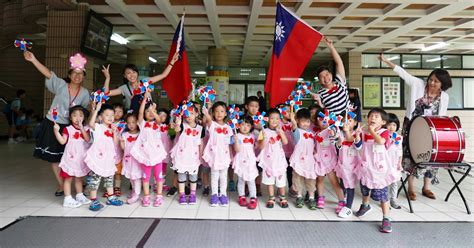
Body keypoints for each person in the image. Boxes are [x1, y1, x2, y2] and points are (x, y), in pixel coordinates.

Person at [378, 53, 452, 200]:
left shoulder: (444, 97)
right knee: (410, 155)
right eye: (431, 79)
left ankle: (426, 187)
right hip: (412, 126)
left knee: (430, 157)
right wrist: (386, 61)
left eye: (436, 81)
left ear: (442, 84)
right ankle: (410, 188)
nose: (431, 83)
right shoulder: (418, 84)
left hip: (431, 130)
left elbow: (442, 115)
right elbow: (403, 74)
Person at [24, 51, 90, 197]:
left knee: (75, 154)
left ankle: (78, 180)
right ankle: (61, 184)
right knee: (55, 157)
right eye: (74, 73)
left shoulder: (85, 93)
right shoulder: (60, 84)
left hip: (72, 127)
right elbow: (48, 73)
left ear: (84, 77)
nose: (77, 76)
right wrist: (34, 59)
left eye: (80, 74)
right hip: (53, 124)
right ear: (70, 74)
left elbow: (83, 112)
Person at [354, 108, 396, 233]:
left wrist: (371, 131)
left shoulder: (384, 132)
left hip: (379, 168)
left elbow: (380, 142)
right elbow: (358, 146)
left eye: (376, 116)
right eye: (371, 116)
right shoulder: (364, 132)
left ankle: (386, 217)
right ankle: (365, 205)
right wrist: (357, 135)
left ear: (383, 122)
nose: (372, 118)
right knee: (365, 189)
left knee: (382, 194)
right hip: (366, 166)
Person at [104, 53, 179, 111]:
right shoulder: (123, 88)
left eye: (134, 72)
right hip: (133, 118)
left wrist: (172, 62)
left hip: (148, 115)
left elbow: (164, 75)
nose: (132, 75)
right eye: (128, 73)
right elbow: (106, 93)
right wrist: (108, 78)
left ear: (137, 73)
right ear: (125, 76)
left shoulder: (145, 81)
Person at [130, 91, 167, 207]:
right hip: (145, 154)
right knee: (145, 177)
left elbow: (159, 119)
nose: (150, 113)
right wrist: (145, 101)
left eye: (152, 111)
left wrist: (153, 110)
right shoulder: (142, 123)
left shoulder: (157, 123)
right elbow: (140, 112)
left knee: (158, 176)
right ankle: (146, 196)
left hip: (157, 154)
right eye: (148, 111)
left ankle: (159, 196)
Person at [85, 102, 124, 211]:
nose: (111, 117)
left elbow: (115, 143)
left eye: (112, 115)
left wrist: (115, 132)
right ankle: (93, 200)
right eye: (107, 115)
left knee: (109, 178)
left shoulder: (112, 129)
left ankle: (111, 197)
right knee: (95, 180)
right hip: (98, 158)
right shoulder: (98, 126)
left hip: (108, 158)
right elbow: (91, 123)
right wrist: (96, 110)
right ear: (101, 117)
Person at [53, 105, 91, 208]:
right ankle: (67, 199)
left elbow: (87, 139)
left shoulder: (86, 129)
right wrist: (56, 131)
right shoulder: (67, 129)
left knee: (79, 178)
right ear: (70, 117)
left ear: (84, 117)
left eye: (80, 115)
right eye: (74, 115)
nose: (77, 118)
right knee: (68, 179)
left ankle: (79, 195)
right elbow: (62, 141)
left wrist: (82, 128)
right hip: (70, 159)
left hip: (80, 159)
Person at [313, 108, 346, 213]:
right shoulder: (315, 132)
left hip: (330, 160)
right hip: (319, 160)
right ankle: (321, 198)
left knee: (334, 182)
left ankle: (341, 201)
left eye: (326, 119)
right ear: (317, 120)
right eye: (321, 119)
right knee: (320, 180)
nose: (324, 121)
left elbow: (338, 142)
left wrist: (334, 135)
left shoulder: (333, 130)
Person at [170, 103, 203, 205]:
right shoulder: (182, 126)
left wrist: (201, 156)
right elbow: (176, 130)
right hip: (182, 156)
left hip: (194, 156)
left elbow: (201, 143)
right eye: (187, 114)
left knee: (193, 177)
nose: (189, 116)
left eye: (192, 113)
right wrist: (178, 122)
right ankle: (182, 195)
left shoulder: (200, 128)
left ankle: (193, 195)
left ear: (196, 114)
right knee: (182, 177)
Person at [202, 101, 233, 207]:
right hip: (215, 155)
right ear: (213, 113)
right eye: (216, 111)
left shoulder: (228, 128)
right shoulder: (212, 125)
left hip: (224, 155)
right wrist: (207, 113)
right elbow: (209, 120)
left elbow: (230, 143)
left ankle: (223, 194)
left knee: (224, 176)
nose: (219, 113)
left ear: (225, 113)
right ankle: (214, 195)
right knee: (214, 176)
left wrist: (231, 155)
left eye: (222, 111)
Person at [257, 108, 289, 208]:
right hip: (268, 161)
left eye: (277, 118)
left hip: (279, 160)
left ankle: (282, 197)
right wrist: (264, 138)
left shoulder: (280, 130)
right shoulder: (263, 131)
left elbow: (285, 142)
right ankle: (271, 198)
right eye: (272, 118)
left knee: (281, 180)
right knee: (269, 180)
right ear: (267, 119)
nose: (274, 121)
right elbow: (260, 147)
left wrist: (281, 133)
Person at [288, 108, 317, 210]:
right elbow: (294, 127)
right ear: (298, 121)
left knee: (311, 179)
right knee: (297, 178)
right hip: (298, 159)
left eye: (308, 121)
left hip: (309, 160)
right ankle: (299, 196)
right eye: (303, 121)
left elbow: (314, 145)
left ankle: (311, 197)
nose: (306, 124)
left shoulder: (312, 133)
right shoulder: (296, 131)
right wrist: (292, 120)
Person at [312, 37, 348, 115]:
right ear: (319, 81)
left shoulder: (340, 82)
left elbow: (339, 62)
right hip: (333, 123)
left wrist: (331, 46)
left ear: (331, 74)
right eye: (322, 77)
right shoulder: (320, 94)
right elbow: (322, 109)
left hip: (348, 120)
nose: (325, 78)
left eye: (327, 74)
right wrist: (318, 102)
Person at [335, 114, 361, 218]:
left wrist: (347, 131)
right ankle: (344, 199)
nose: (347, 123)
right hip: (342, 164)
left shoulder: (357, 134)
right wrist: (339, 142)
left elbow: (354, 142)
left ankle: (348, 207)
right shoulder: (340, 133)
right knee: (343, 183)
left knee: (350, 186)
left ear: (355, 123)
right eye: (345, 120)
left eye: (349, 120)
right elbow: (338, 146)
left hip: (352, 166)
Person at [232, 115, 258, 210]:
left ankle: (253, 198)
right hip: (240, 160)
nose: (245, 127)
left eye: (247, 125)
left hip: (250, 161)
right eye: (242, 124)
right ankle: (241, 196)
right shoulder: (237, 136)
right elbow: (237, 150)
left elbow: (255, 147)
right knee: (241, 180)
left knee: (251, 180)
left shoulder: (253, 136)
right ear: (238, 125)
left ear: (251, 127)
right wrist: (236, 141)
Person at [120, 112, 142, 204]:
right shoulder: (125, 135)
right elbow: (123, 148)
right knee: (131, 177)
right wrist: (121, 141)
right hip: (128, 159)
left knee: (136, 177)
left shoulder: (140, 135)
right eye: (129, 123)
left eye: (133, 122)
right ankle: (134, 190)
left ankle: (136, 194)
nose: (131, 125)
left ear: (137, 122)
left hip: (137, 160)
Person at [245, 96, 263, 196]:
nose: (254, 108)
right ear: (246, 106)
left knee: (258, 167)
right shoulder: (243, 118)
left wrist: (260, 127)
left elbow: (265, 132)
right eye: (251, 106)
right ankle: (247, 186)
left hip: (258, 148)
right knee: (247, 166)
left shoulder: (261, 119)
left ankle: (257, 185)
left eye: (256, 106)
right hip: (247, 147)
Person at [386, 113, 403, 209]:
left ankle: (393, 199)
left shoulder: (399, 138)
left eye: (394, 125)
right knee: (385, 182)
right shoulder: (383, 136)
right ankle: (385, 200)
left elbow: (400, 151)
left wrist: (399, 163)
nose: (391, 127)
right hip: (385, 162)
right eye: (389, 124)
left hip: (395, 162)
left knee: (394, 182)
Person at [112, 103, 125, 197]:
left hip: (119, 151)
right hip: (108, 151)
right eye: (115, 111)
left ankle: (117, 187)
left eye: (120, 111)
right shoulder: (108, 123)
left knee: (118, 171)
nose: (117, 113)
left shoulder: (124, 124)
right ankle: (108, 187)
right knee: (109, 171)